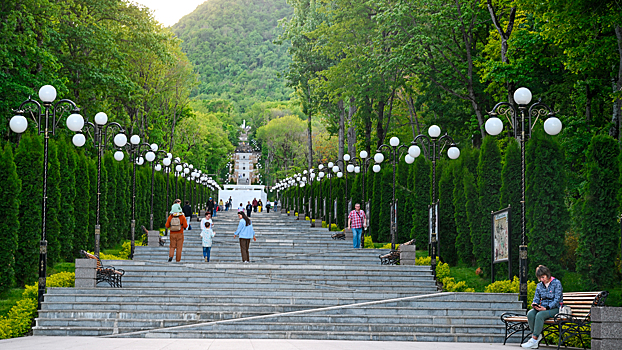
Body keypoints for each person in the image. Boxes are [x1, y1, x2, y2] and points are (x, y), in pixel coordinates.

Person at [521, 265, 563, 349]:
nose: (541, 280)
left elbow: (557, 300)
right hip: (542, 308)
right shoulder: (539, 285)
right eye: (540, 278)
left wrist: (546, 308)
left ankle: (534, 339)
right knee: (530, 314)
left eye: (543, 277)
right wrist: (535, 304)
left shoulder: (556, 283)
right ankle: (536, 337)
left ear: (547, 275)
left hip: (555, 308)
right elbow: (536, 298)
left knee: (540, 315)